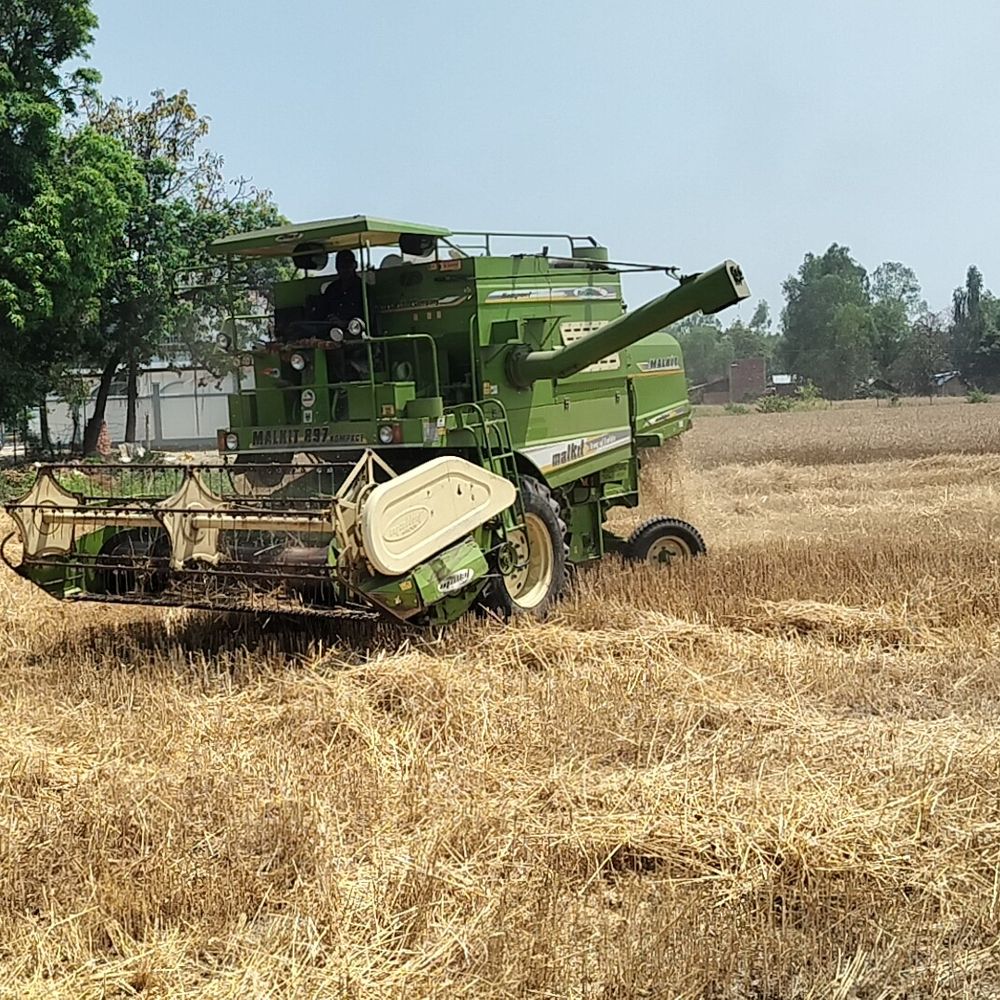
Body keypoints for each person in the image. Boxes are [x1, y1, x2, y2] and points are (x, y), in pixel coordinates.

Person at [316, 249, 368, 328]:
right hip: (332, 334)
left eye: (348, 264)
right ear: (337, 267)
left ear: (355, 265)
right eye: (341, 265)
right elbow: (322, 314)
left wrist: (346, 324)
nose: (345, 268)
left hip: (357, 335)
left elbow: (370, 318)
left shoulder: (364, 289)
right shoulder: (331, 290)